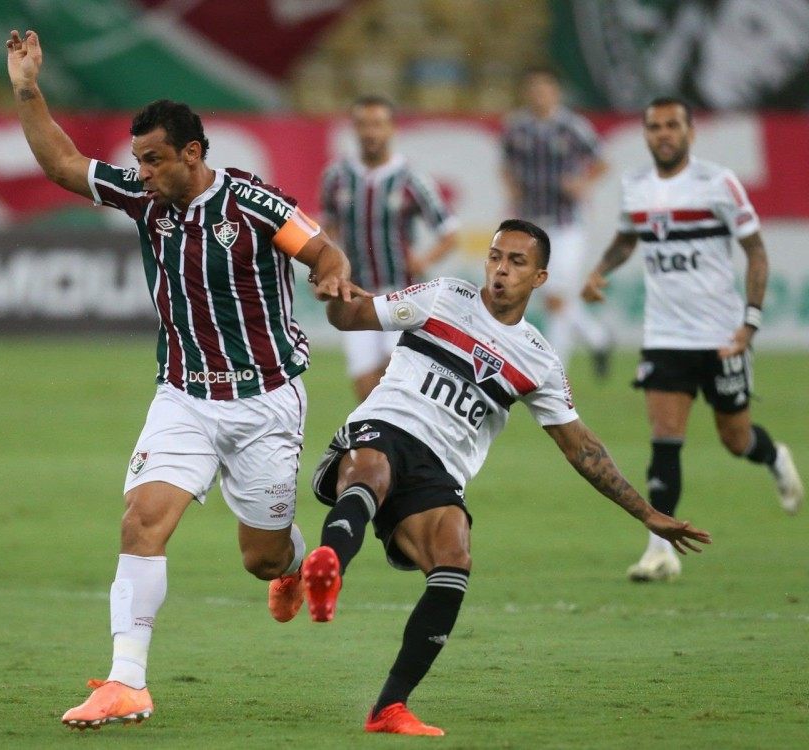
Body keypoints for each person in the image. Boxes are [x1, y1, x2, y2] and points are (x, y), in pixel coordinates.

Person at [5, 30, 361, 730]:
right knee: (142, 519)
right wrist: (26, 87)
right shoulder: (146, 201)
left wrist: (330, 273)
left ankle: (291, 569)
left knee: (259, 558)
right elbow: (63, 165)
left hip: (264, 402)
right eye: (137, 159)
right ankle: (126, 682)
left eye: (154, 159)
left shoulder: (253, 205)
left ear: (192, 154)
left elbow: (320, 249)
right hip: (184, 397)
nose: (140, 172)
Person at [296, 219, 712, 736]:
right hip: (386, 426)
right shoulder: (442, 297)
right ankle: (326, 568)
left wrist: (647, 515)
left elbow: (581, 447)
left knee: (455, 553)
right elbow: (352, 316)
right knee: (371, 472)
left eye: (516, 262)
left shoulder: (538, 359)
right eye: (494, 257)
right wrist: (334, 294)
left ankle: (388, 708)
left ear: (539, 278)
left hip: (441, 468)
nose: (500, 270)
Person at [582, 96, 803, 581]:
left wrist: (750, 324)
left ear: (689, 132)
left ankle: (773, 455)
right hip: (664, 335)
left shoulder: (717, 183)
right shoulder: (635, 186)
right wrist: (600, 269)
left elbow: (756, 251)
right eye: (654, 126)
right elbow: (628, 237)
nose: (663, 133)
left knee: (735, 438)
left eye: (672, 125)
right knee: (665, 440)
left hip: (722, 335)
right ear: (645, 133)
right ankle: (659, 549)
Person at [320, 95, 460, 401]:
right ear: (354, 130)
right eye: (363, 125)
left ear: (392, 129)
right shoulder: (337, 177)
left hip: (400, 292)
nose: (370, 132)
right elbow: (326, 229)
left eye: (378, 124)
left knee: (392, 380)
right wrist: (325, 264)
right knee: (363, 387)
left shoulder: (411, 179)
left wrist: (423, 261)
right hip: (354, 293)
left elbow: (449, 232)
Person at [501, 66, 612, 374]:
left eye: (545, 89)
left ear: (556, 93)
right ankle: (598, 338)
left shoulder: (573, 127)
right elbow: (506, 166)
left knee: (556, 294)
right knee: (553, 296)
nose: (539, 95)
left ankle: (552, 369)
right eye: (534, 89)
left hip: (567, 224)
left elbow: (602, 161)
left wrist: (583, 183)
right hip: (532, 224)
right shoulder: (517, 128)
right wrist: (513, 195)